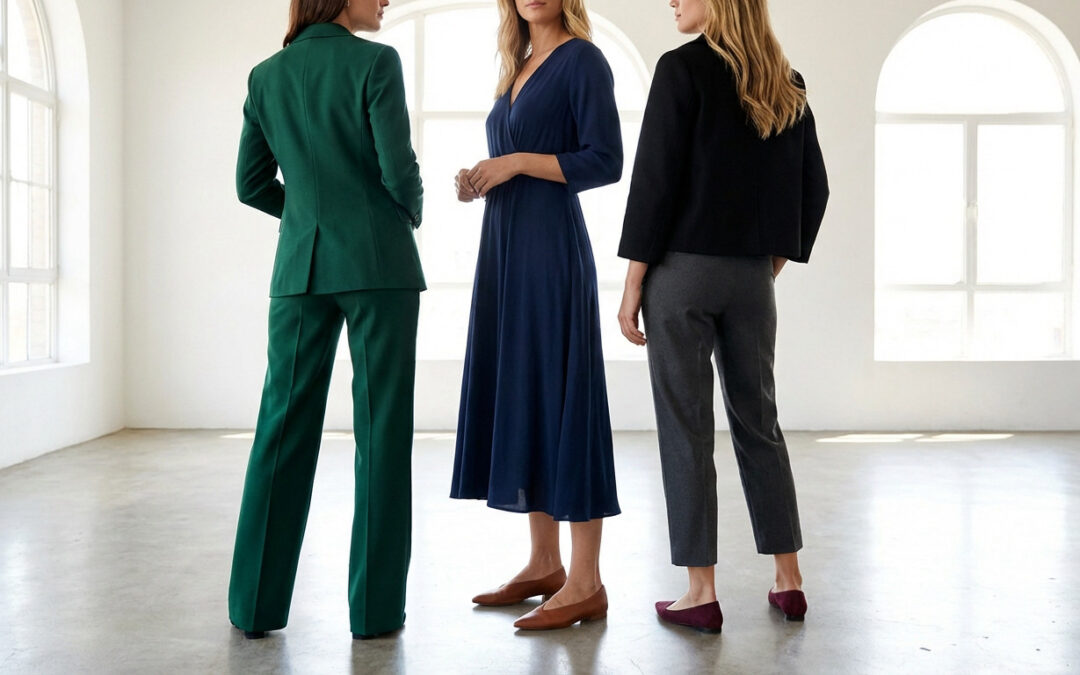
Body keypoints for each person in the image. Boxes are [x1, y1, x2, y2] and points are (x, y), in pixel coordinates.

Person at [617, 0, 829, 633]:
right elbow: (814, 188)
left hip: (680, 271)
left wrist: (632, 283)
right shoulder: (785, 84)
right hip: (749, 278)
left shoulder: (681, 70)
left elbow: (654, 183)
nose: (671, 2)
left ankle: (700, 592)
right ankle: (788, 580)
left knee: (686, 427)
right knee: (758, 422)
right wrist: (767, 267)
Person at [228, 0, 424, 641]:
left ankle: (254, 608)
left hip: (299, 272)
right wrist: (407, 212)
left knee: (280, 430)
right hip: (379, 265)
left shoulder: (266, 74)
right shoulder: (377, 62)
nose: (386, 0)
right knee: (382, 433)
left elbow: (251, 184)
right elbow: (398, 169)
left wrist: (308, 212)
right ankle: (372, 615)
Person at [449, 0, 623, 632]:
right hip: (505, 250)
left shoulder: (583, 61)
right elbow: (514, 158)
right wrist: (479, 179)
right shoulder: (517, 65)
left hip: (551, 253)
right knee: (524, 389)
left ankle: (587, 581)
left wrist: (516, 163)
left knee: (561, 395)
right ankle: (544, 563)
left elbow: (606, 161)